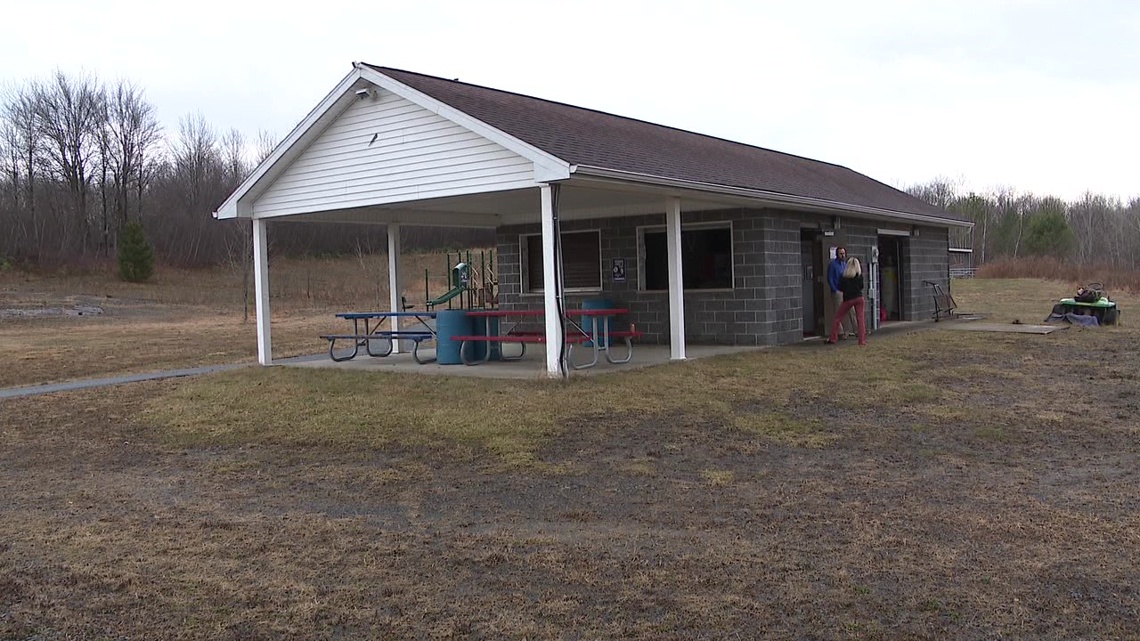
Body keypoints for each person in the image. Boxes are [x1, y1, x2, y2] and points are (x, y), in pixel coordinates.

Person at [827, 257, 867, 346]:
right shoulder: (859, 276)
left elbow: (841, 287)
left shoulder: (844, 277)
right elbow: (861, 286)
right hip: (859, 298)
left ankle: (833, 338)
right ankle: (862, 341)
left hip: (848, 299)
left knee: (837, 318)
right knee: (860, 320)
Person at [827, 246, 855, 339]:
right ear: (837, 254)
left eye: (843, 253)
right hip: (837, 291)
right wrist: (834, 289)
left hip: (846, 290)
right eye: (840, 254)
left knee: (851, 310)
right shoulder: (833, 265)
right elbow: (830, 278)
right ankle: (840, 332)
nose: (842, 255)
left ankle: (856, 329)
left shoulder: (845, 264)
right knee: (839, 312)